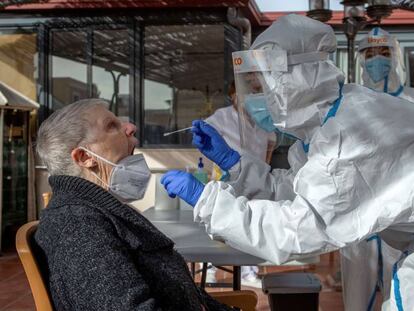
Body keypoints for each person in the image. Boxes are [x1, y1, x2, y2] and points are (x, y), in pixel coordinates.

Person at [161, 14, 414, 311]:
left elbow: (296, 231)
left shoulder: (347, 137)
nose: (260, 96)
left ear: (294, 78)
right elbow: (297, 191)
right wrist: (236, 165)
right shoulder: (336, 117)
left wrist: (207, 201)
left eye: (263, 84)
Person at [34, 99, 232, 311]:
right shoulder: (77, 228)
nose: (131, 127)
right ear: (84, 157)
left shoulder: (97, 210)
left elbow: (179, 291)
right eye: (112, 125)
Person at [339, 27, 414, 311]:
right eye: (370, 54)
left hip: (404, 221)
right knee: (357, 303)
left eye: (384, 53)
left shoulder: (410, 101)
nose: (377, 59)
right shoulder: (349, 104)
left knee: (404, 297)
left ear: (395, 57)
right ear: (360, 59)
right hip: (359, 223)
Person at [205, 81, 275, 287]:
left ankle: (248, 271)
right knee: (220, 223)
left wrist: (264, 172)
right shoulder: (222, 117)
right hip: (229, 178)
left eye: (255, 91)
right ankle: (210, 270)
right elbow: (206, 138)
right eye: (244, 92)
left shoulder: (262, 117)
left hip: (255, 179)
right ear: (233, 95)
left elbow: (270, 144)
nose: (251, 96)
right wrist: (213, 169)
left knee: (251, 224)